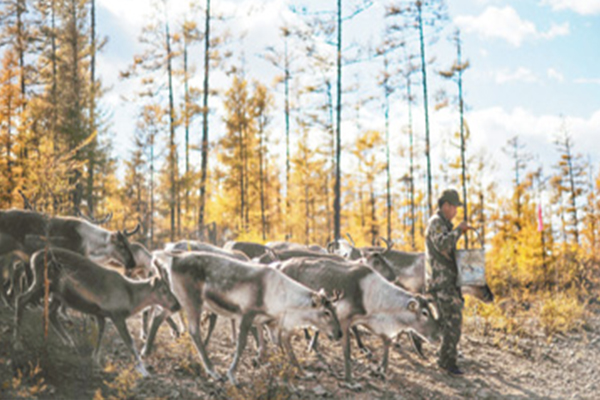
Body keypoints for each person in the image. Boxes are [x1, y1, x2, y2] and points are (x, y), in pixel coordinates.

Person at [425, 188, 473, 375]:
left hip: (447, 281)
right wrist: (459, 231)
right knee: (453, 320)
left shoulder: (443, 224)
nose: (455, 212)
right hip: (441, 282)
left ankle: (445, 359)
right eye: (454, 207)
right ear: (446, 205)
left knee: (450, 320)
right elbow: (443, 243)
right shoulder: (436, 222)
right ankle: (447, 362)